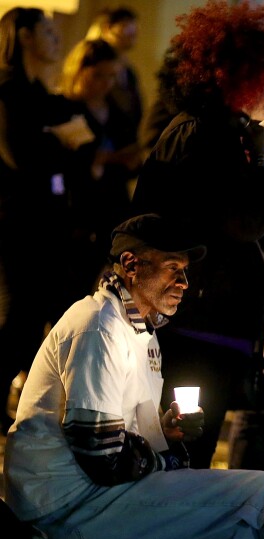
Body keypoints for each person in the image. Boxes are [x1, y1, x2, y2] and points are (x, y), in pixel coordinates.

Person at [3, 213, 264, 539]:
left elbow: (123, 437)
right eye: (173, 269)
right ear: (132, 265)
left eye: (184, 272)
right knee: (259, 495)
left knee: (242, 529)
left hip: (96, 493)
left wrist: (165, 431)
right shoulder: (97, 327)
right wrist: (167, 460)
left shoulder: (140, 333)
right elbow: (101, 456)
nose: (184, 283)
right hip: (65, 503)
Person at [131, 0, 264, 469]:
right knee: (179, 457)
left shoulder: (232, 136)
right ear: (240, 77)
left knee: (191, 452)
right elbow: (242, 221)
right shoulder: (203, 137)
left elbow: (254, 225)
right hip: (194, 327)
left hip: (217, 325)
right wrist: (263, 163)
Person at [0, 7, 92, 433]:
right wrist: (59, 143)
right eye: (48, 32)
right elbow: (22, 160)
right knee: (18, 323)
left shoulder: (43, 95)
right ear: (23, 37)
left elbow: (78, 160)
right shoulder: (9, 92)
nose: (57, 39)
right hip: (19, 225)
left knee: (51, 319)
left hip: (51, 225)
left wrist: (62, 144)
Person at [58, 38, 141, 295]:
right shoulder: (64, 108)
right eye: (97, 75)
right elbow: (64, 161)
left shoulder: (117, 110)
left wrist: (121, 159)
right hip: (76, 211)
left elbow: (130, 153)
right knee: (71, 289)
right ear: (79, 71)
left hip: (112, 206)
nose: (105, 83)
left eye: (110, 76)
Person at [85, 6, 142, 133]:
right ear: (107, 28)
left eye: (134, 26)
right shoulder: (92, 64)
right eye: (125, 25)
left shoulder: (129, 72)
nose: (132, 32)